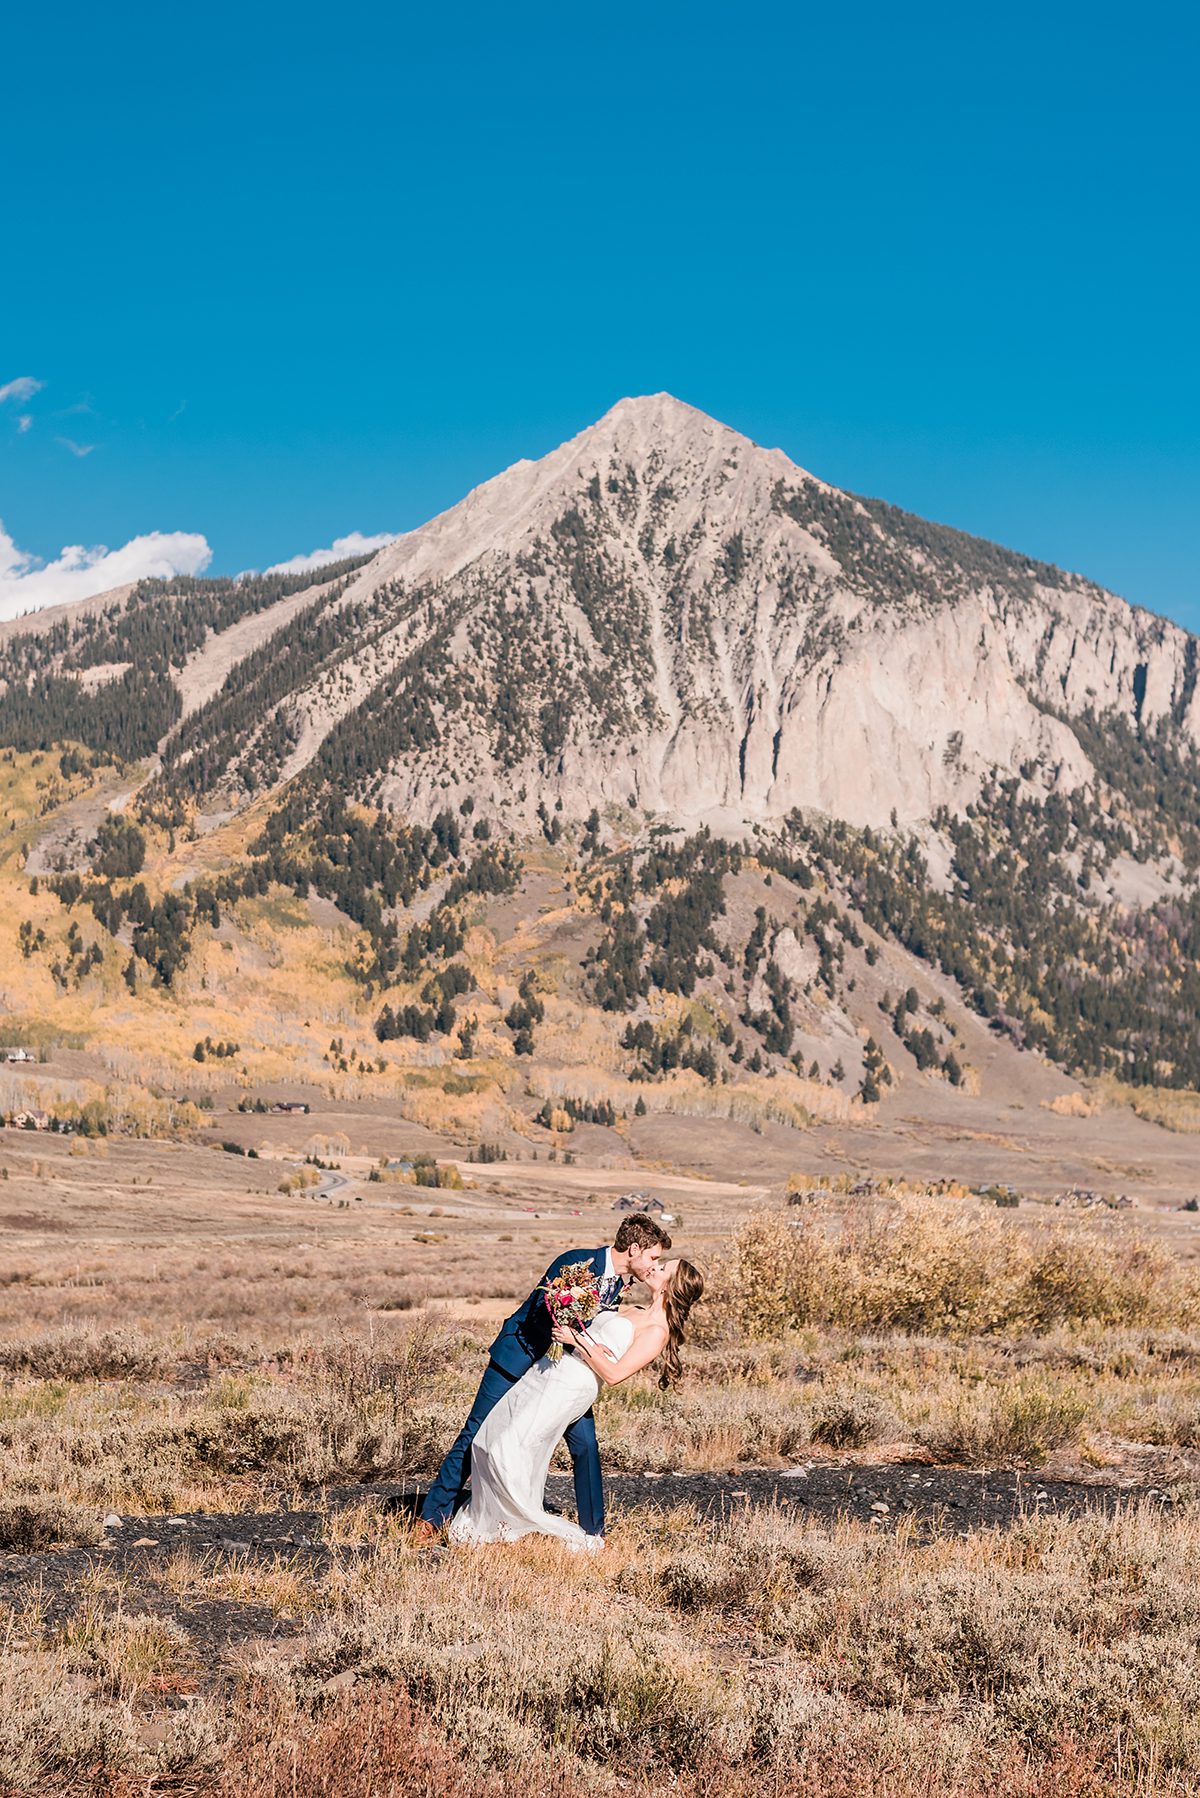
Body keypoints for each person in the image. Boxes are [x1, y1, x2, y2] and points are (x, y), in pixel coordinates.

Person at [417, 1213, 672, 1540]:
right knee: (476, 1431)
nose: (654, 1265)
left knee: (586, 1445)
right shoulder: (577, 1263)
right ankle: (432, 1518)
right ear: (634, 1249)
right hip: (520, 1356)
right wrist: (576, 1331)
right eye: (653, 1257)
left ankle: (593, 1533)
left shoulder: (621, 1285)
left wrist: (589, 1344)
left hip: (562, 1376)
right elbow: (544, 1308)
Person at [448, 1255, 705, 1551]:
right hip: (552, 1369)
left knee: (508, 1448)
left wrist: (578, 1340)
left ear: (669, 1288)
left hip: (573, 1385)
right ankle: (498, 1518)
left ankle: (517, 1525)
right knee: (487, 1439)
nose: (654, 1268)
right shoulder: (634, 1309)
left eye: (663, 1269)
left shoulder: (657, 1332)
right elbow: (598, 1339)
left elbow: (614, 1374)